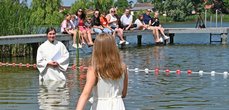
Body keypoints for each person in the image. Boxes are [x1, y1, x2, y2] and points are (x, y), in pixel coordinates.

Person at [76, 33, 128, 110]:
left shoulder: (94, 69)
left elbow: (85, 94)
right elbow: (123, 94)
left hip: (101, 106)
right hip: (118, 106)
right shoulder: (123, 67)